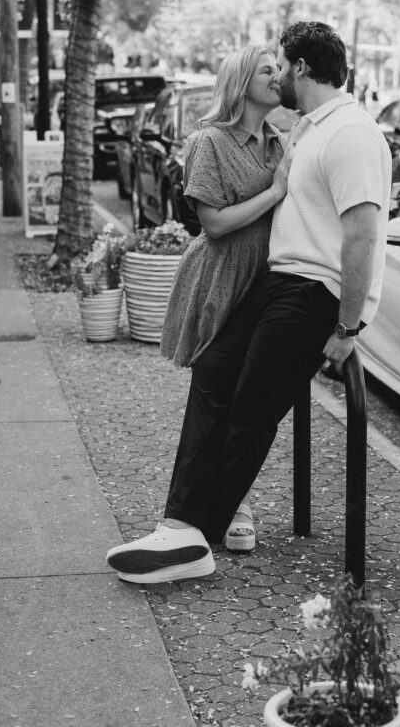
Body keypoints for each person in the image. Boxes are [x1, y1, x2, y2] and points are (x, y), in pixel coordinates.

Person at [106, 21, 392, 584]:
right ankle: (180, 525)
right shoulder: (309, 129)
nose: (276, 72)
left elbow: (361, 235)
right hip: (275, 281)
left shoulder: (353, 134)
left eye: (281, 64)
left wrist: (348, 327)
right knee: (212, 373)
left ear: (302, 69)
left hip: (315, 292)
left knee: (251, 411)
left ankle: (198, 538)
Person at [160, 46, 290, 550]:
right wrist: (274, 193)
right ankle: (211, 509)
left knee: (250, 397)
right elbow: (212, 225)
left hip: (267, 275)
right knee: (216, 390)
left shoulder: (280, 142)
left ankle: (236, 497)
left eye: (279, 69)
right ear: (241, 82)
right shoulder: (209, 141)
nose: (277, 76)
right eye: (267, 70)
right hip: (219, 276)